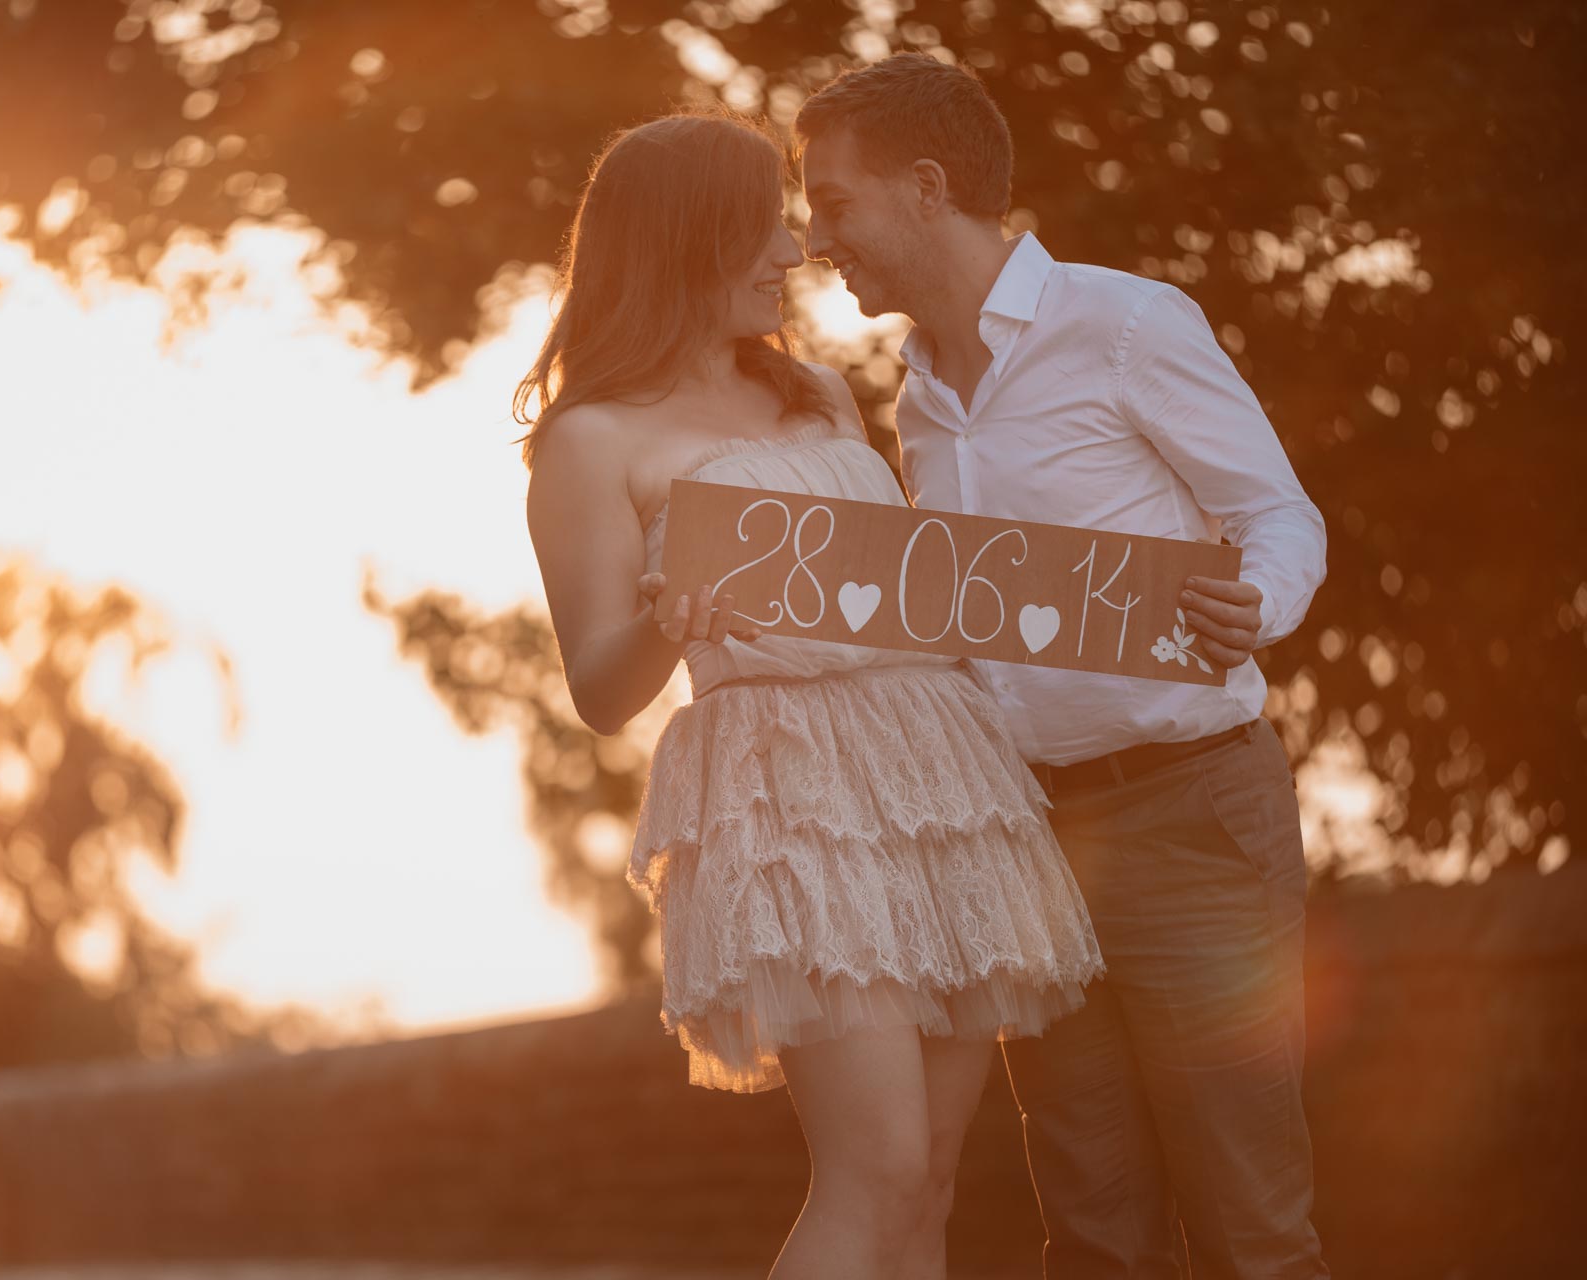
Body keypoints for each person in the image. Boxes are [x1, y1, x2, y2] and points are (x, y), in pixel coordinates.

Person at [519, 110, 1104, 1280]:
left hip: (936, 770)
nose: (794, 256)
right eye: (764, 230)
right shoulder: (589, 442)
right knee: (874, 1167)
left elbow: (906, 589)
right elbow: (596, 687)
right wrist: (661, 616)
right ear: (683, 242)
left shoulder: (819, 397)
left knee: (929, 1176)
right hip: (786, 788)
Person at [794, 53, 1332, 1279]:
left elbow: (1278, 512)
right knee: (1089, 1229)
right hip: (1030, 844)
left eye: (832, 202)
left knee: (1248, 1219)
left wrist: (1256, 599)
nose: (816, 237)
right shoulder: (916, 396)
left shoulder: (1127, 323)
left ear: (925, 187)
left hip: (1193, 809)